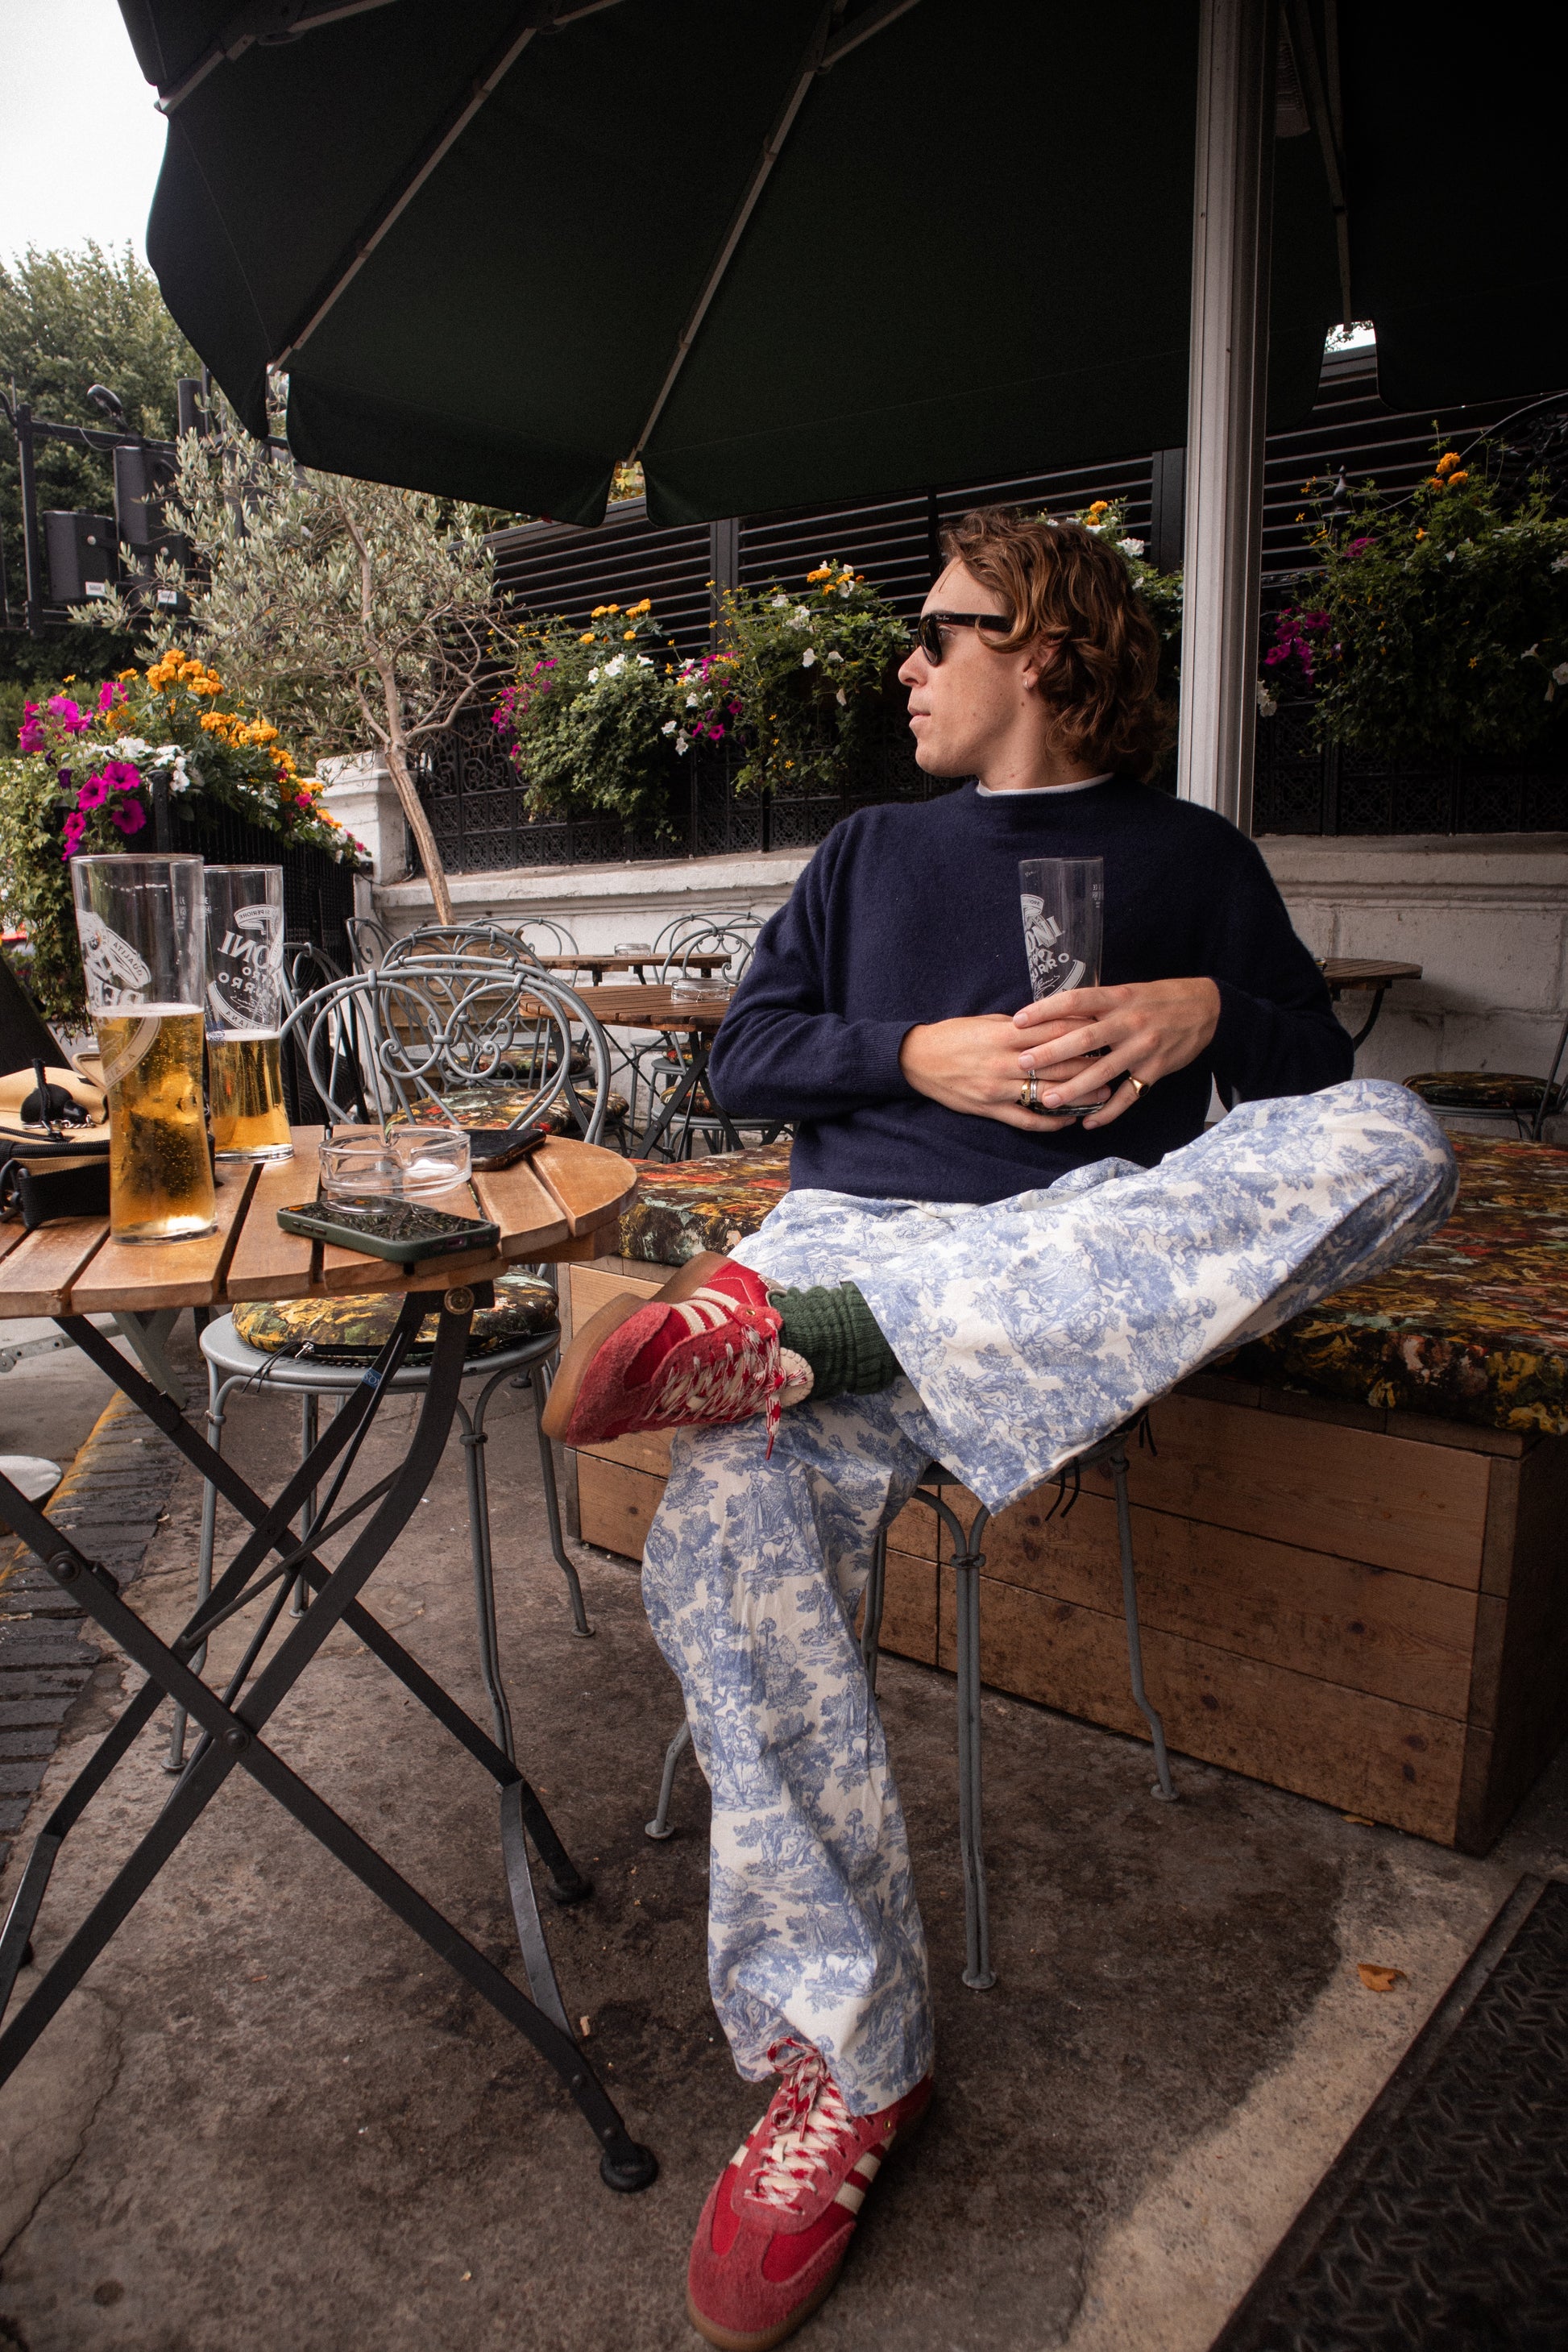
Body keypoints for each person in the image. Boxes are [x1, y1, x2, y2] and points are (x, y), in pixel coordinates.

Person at [543, 508, 1457, 2352]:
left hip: (1074, 1263)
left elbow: (1316, 1085)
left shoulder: (1190, 854)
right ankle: (848, 2063)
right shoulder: (872, 847)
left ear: (1038, 642)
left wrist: (1211, 1009)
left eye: (934, 631)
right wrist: (917, 1053)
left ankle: (819, 1343)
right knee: (729, 1514)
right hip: (847, 1236)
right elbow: (742, 1055)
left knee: (1407, 1141)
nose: (902, 662)